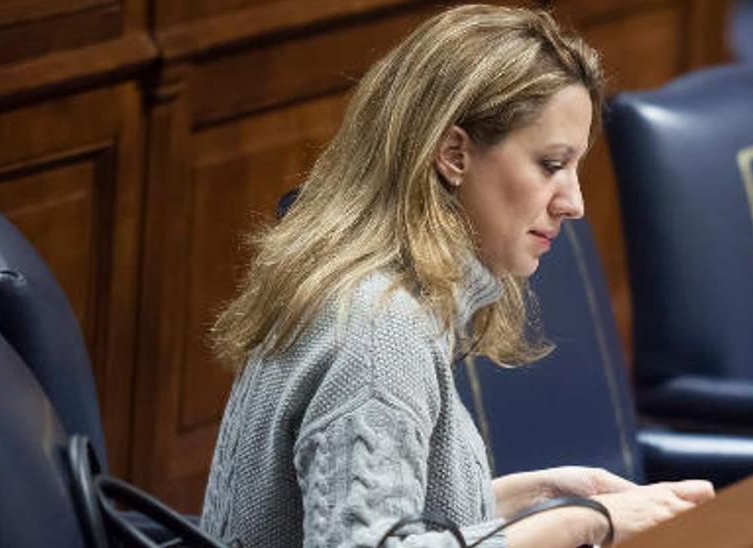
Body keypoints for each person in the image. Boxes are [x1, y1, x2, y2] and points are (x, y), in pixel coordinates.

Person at [201, 4, 714, 547]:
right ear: (453, 154)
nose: (575, 203)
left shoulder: (364, 292)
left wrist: (540, 496)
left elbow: (380, 515)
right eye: (550, 165)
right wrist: (581, 524)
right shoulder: (380, 331)